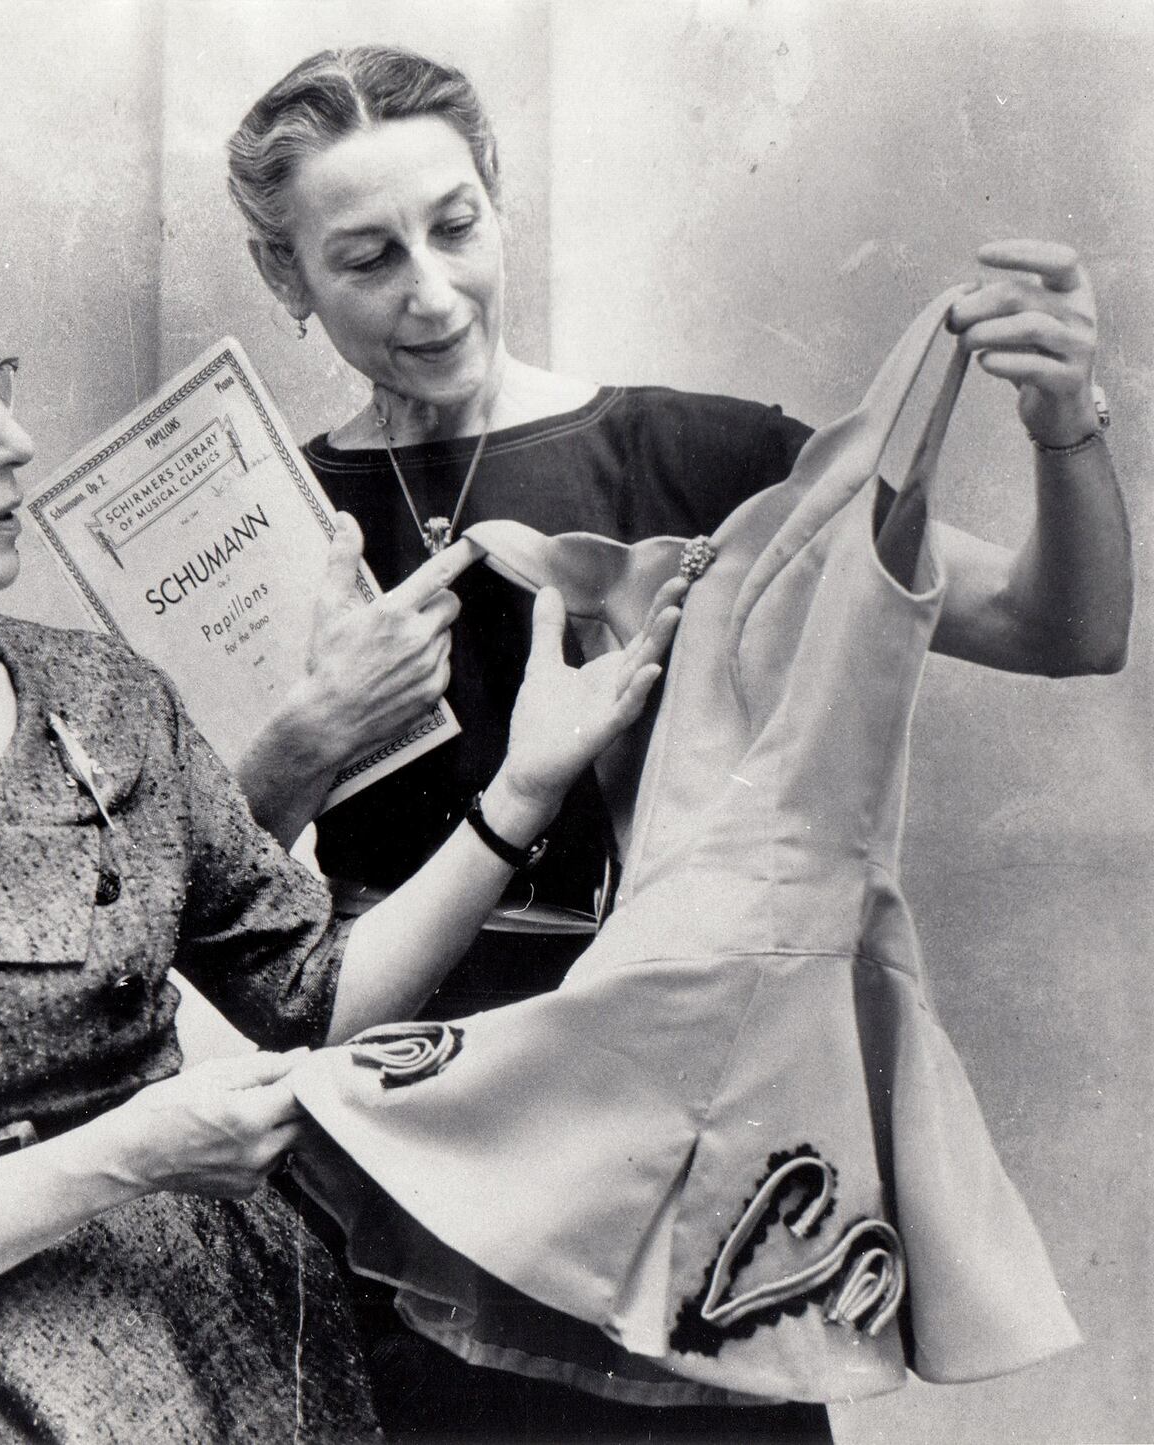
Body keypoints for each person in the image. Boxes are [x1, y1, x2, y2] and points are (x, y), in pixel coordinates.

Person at [0, 217, 680, 1444]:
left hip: (225, 1358)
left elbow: (309, 996)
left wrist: (521, 792)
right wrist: (129, 1152)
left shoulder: (99, 699)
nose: (15, 441)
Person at [223, 44, 1131, 1442]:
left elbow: (1060, 627)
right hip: (407, 1140)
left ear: (499, 201)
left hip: (691, 1100)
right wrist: (301, 739)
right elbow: (201, 908)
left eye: (455, 226)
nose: (431, 290)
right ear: (284, 278)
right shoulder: (253, 526)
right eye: (365, 257)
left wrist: (1068, 421)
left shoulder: (697, 451)